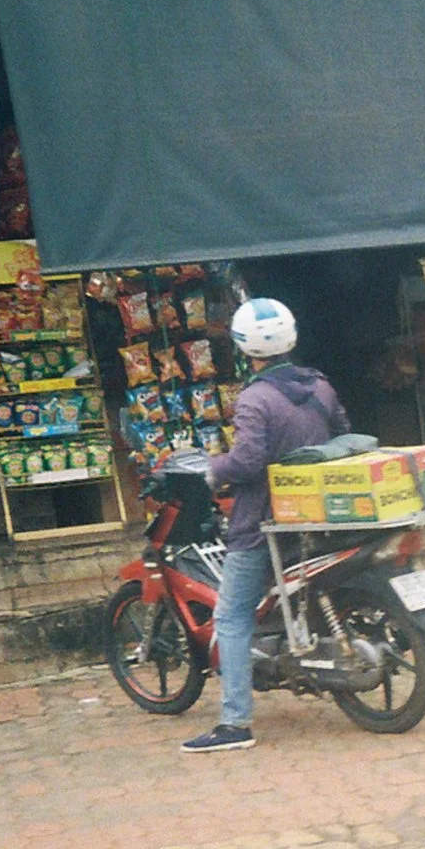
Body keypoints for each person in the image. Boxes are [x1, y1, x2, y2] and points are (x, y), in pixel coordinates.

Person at [183, 297, 349, 754]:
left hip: (263, 522)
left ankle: (234, 723)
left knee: (232, 617)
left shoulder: (255, 398)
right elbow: (342, 435)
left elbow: (248, 460)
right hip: (317, 516)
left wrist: (213, 469)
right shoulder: (321, 386)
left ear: (244, 347)